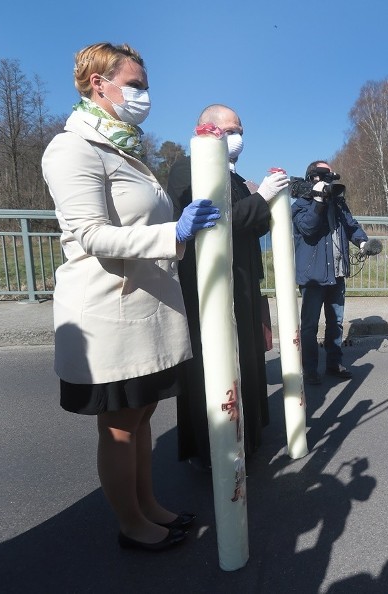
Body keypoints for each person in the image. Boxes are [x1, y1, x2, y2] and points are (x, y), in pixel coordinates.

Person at [42, 42, 220, 551]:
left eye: (144, 85)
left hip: (144, 306)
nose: (144, 94)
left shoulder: (127, 147)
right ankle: (131, 523)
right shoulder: (73, 147)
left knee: (141, 418)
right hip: (109, 308)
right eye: (135, 84)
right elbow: (92, 235)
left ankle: (149, 505)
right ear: (99, 83)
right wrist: (175, 235)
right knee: (119, 426)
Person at [167, 104, 289, 467]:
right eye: (230, 130)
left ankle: (247, 439)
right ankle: (217, 450)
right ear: (203, 130)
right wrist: (262, 198)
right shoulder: (187, 170)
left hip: (243, 282)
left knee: (247, 359)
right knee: (217, 364)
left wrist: (266, 201)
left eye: (240, 131)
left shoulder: (231, 174)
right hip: (212, 285)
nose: (237, 138)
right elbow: (219, 224)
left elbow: (250, 220)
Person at [292, 161, 368, 385]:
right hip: (313, 275)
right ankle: (310, 369)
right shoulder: (300, 205)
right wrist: (318, 202)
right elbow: (308, 228)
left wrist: (363, 242)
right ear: (311, 179)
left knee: (335, 321)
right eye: (321, 177)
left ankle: (334, 363)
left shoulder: (338, 202)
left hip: (337, 273)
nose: (327, 182)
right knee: (309, 324)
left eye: (329, 178)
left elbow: (351, 226)